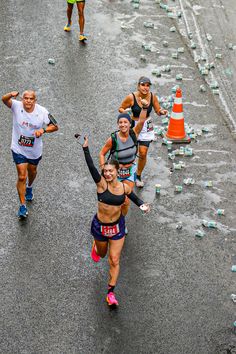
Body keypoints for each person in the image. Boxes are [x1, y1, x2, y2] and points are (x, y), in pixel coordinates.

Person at [80, 135, 150, 306]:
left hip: (117, 227)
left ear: (117, 172)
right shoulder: (101, 185)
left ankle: (111, 293)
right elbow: (91, 168)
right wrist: (85, 149)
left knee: (114, 259)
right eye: (106, 171)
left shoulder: (123, 187)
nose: (108, 173)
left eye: (111, 171)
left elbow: (132, 196)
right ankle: (96, 247)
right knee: (103, 254)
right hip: (100, 227)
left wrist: (142, 205)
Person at [2, 90, 59, 219]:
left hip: (34, 150)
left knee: (32, 171)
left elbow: (55, 126)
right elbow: (4, 100)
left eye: (31, 99)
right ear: (22, 99)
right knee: (22, 176)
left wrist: (43, 130)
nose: (28, 101)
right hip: (18, 148)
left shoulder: (42, 112)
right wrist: (10, 95)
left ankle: (30, 187)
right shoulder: (16, 106)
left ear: (35, 100)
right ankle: (22, 206)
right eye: (25, 98)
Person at [99, 105, 148, 220]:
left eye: (125, 122)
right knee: (114, 200)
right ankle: (111, 217)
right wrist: (103, 168)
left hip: (129, 171)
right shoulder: (113, 139)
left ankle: (121, 221)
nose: (123, 125)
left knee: (125, 201)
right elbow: (102, 153)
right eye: (120, 122)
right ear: (118, 124)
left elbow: (141, 121)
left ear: (130, 124)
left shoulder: (133, 134)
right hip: (116, 173)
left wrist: (145, 108)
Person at [118, 76, 168, 188]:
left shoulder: (152, 96)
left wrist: (162, 111)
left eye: (147, 85)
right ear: (138, 85)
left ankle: (138, 175)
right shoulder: (131, 97)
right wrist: (126, 112)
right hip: (133, 126)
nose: (145, 88)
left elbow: (157, 110)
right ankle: (124, 173)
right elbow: (121, 108)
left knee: (143, 152)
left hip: (146, 127)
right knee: (129, 152)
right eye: (143, 85)